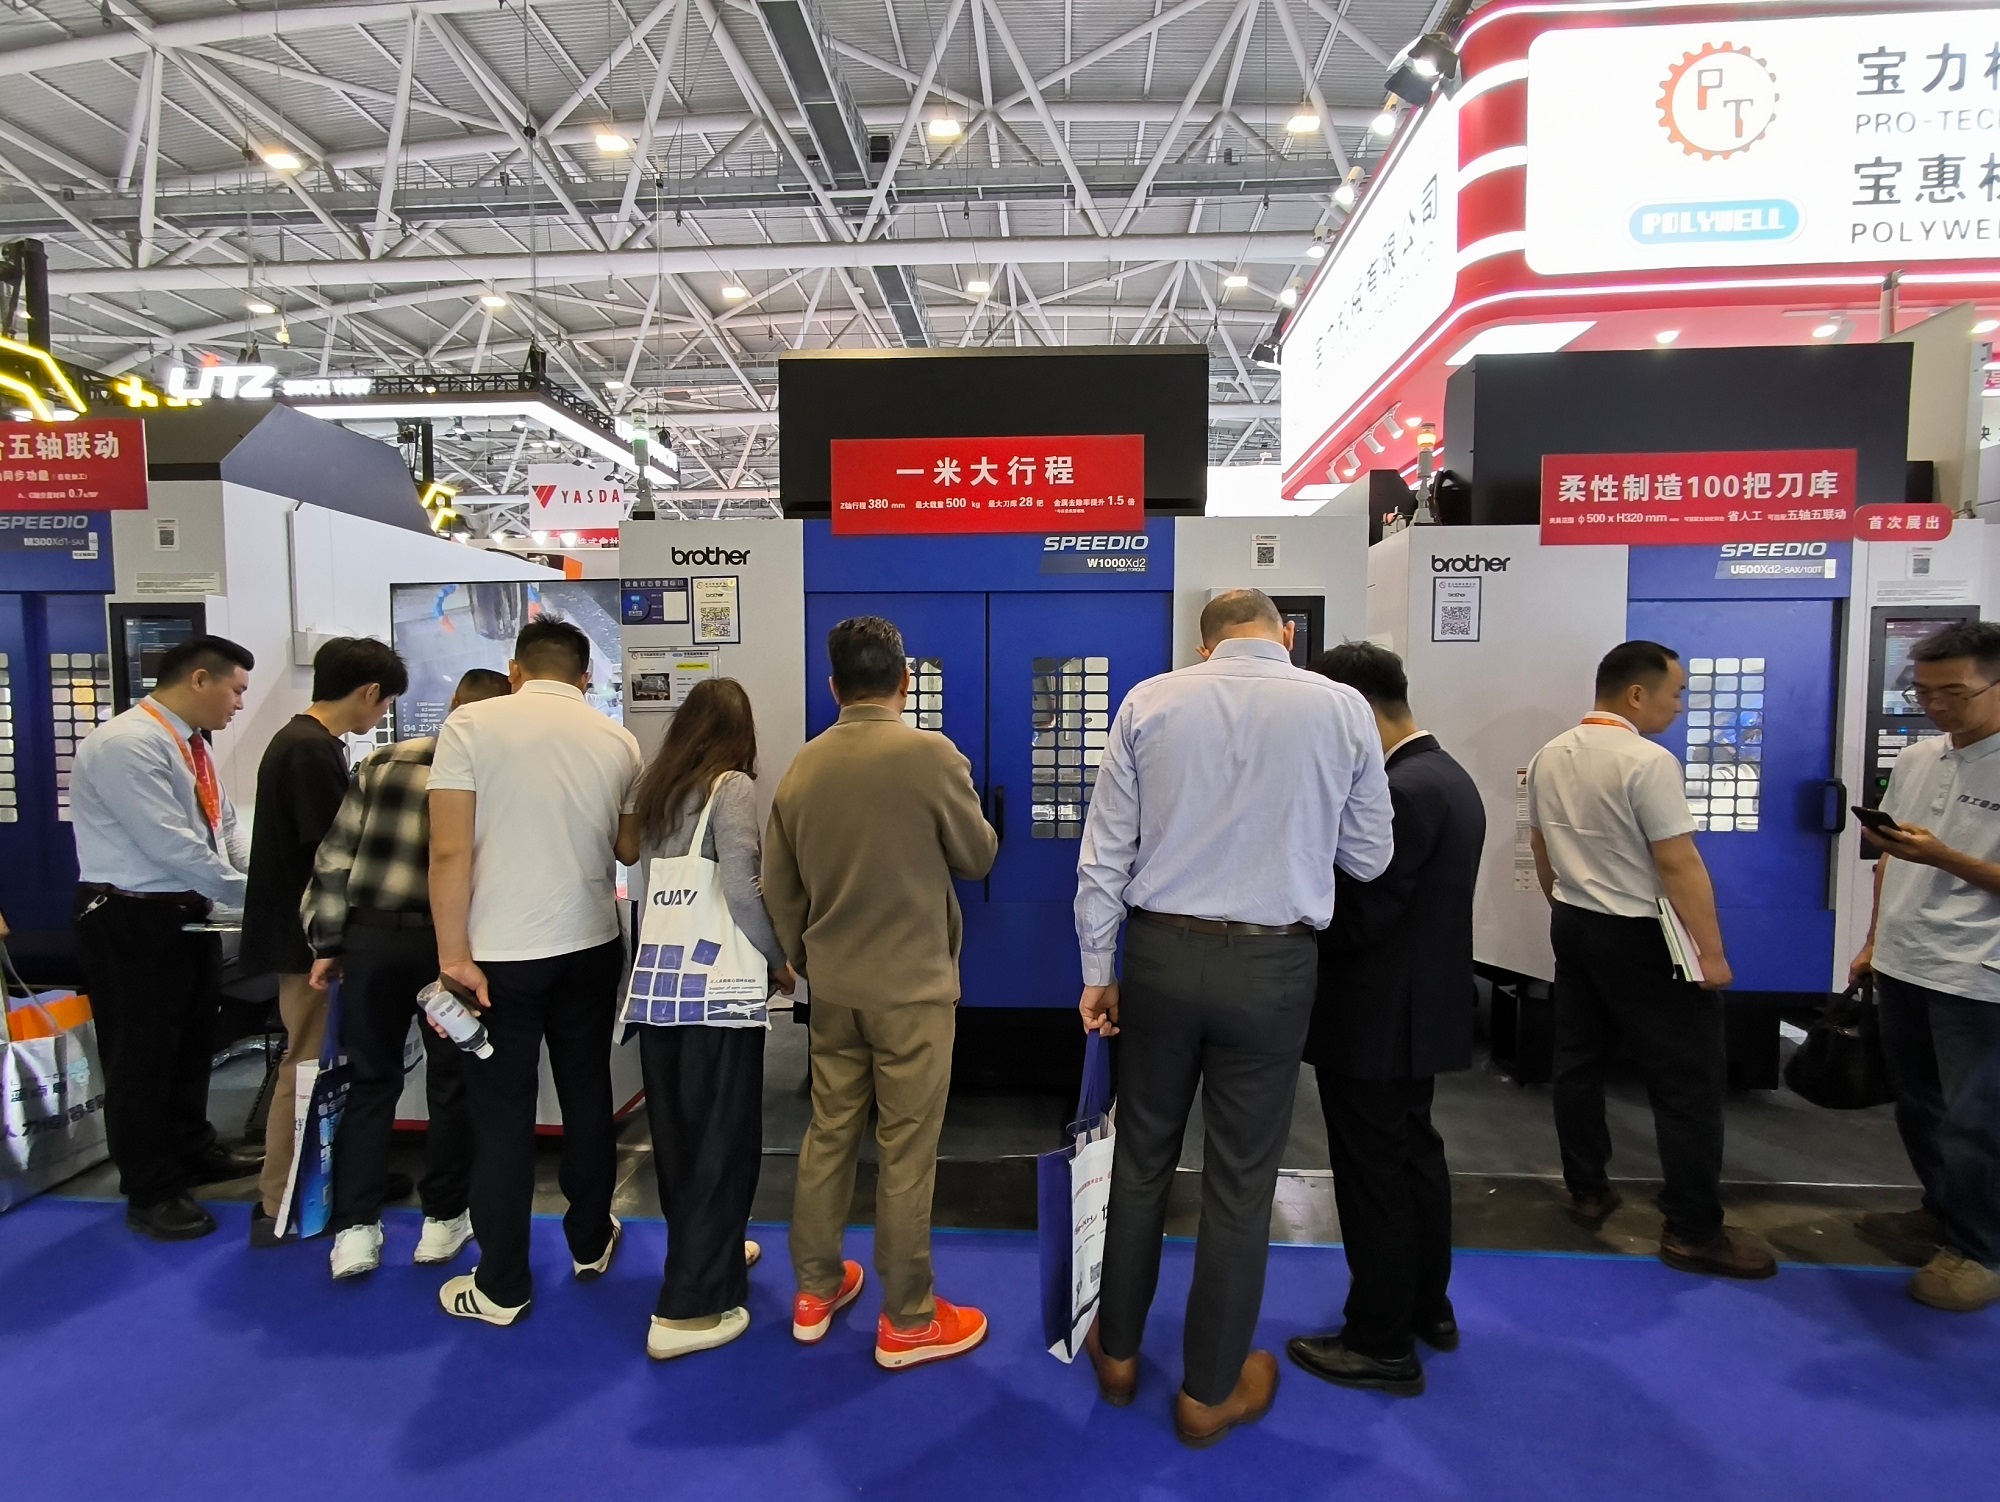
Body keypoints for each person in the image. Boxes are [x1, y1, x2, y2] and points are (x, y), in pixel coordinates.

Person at [1075, 589, 1393, 1448]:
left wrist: (1099, 972)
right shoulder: (1342, 709)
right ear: (1286, 634)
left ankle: (1117, 1352)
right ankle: (1208, 1392)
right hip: (1273, 963)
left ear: (1204, 643)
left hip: (1161, 956)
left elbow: (1104, 854)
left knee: (1141, 1157)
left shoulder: (1150, 701)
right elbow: (1371, 856)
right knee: (1242, 1182)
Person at [764, 615, 998, 1371]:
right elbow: (977, 856)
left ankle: (814, 1289)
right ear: (904, 680)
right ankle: (910, 1318)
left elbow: (777, 885)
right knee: (906, 1151)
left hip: (834, 990)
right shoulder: (932, 756)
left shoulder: (803, 767)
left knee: (829, 1133)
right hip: (914, 992)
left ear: (834, 686)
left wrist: (808, 956)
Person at [1526, 640, 1774, 1280]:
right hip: (1642, 933)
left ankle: (1588, 1189)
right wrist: (1711, 954)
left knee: (1577, 1062)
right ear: (1637, 694)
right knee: (1688, 1080)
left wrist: (1565, 904)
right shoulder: (1648, 761)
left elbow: (1541, 846)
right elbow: (1678, 861)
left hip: (1574, 922)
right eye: (1676, 692)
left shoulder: (1550, 754)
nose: (1679, 705)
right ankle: (1693, 1229)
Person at [426, 619, 644, 1325]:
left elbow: (448, 852)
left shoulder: (470, 726)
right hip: (590, 940)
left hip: (497, 953)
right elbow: (627, 847)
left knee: (502, 1114)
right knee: (587, 1092)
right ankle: (591, 1239)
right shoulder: (617, 739)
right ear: (585, 675)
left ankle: (502, 1284)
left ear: (515, 669)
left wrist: (451, 956)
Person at [1287, 642, 1485, 1398]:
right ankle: (1426, 1307)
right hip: (1420, 1010)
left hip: (1376, 1016)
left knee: (1374, 1177)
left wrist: (1294, 913)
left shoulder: (1402, 791)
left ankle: (1378, 1341)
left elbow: (1363, 916)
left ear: (1357, 709)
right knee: (1413, 1161)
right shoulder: (1448, 775)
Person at [304, 667, 511, 1280]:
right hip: (451, 944)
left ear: (453, 704)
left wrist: (327, 939)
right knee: (453, 1082)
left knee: (370, 1081)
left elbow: (333, 857)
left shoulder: (382, 760)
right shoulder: (493, 771)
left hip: (370, 939)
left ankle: (356, 1230)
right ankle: (442, 1220)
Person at [71, 635, 263, 1240]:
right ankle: (151, 1187)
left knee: (190, 1043)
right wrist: (255, 899)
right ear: (200, 679)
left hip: (187, 914)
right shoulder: (128, 743)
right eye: (236, 690)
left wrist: (260, 885)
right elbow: (168, 844)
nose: (239, 704)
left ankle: (191, 1148)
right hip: (131, 917)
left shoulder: (191, 745)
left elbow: (223, 830)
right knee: (141, 1055)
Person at [629, 678, 795, 1359]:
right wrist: (779, 959)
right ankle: (690, 1308)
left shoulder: (659, 788)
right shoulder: (732, 788)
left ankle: (709, 1251)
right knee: (724, 1140)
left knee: (678, 1136)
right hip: (717, 994)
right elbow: (741, 889)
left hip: (658, 990)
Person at [1848, 620, 2000, 1313]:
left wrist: (1945, 857)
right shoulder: (1916, 758)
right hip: (1907, 960)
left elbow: (1931, 855)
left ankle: (1980, 1249)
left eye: (1954, 693)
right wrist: (1873, 940)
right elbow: (1890, 856)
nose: (1936, 706)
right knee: (1919, 1104)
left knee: (1977, 1121)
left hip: (1981, 973)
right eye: (1924, 692)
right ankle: (1943, 1213)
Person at [241, 637, 408, 1249]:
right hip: (306, 939)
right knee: (307, 1063)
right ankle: (280, 1200)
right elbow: (332, 854)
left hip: (310, 934)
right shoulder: (308, 750)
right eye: (384, 703)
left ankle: (327, 1183)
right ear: (369, 692)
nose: (381, 714)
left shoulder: (305, 743)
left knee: (326, 1061)